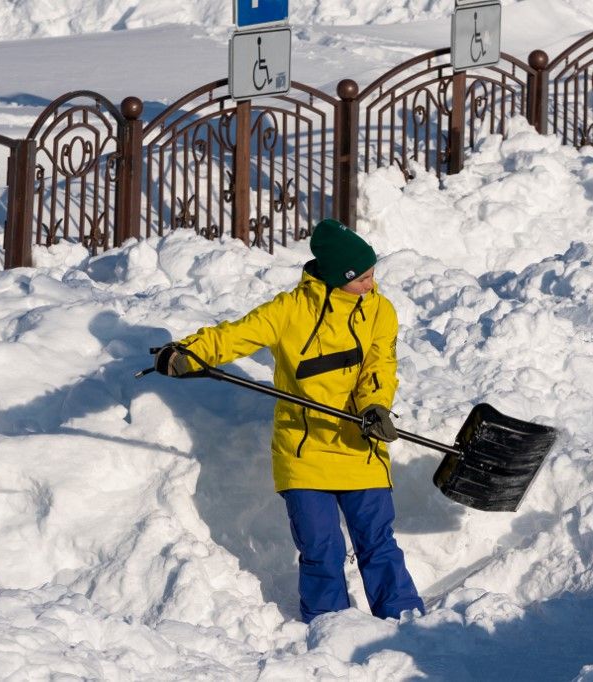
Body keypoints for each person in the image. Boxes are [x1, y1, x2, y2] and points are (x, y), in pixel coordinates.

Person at [152, 218, 425, 623]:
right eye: (362, 278)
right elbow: (235, 335)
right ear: (336, 277)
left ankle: (405, 620)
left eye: (372, 274)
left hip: (359, 443)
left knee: (377, 542)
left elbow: (379, 366)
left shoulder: (380, 311)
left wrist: (375, 407)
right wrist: (186, 353)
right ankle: (329, 623)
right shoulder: (289, 311)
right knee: (321, 548)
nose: (371, 284)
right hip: (303, 450)